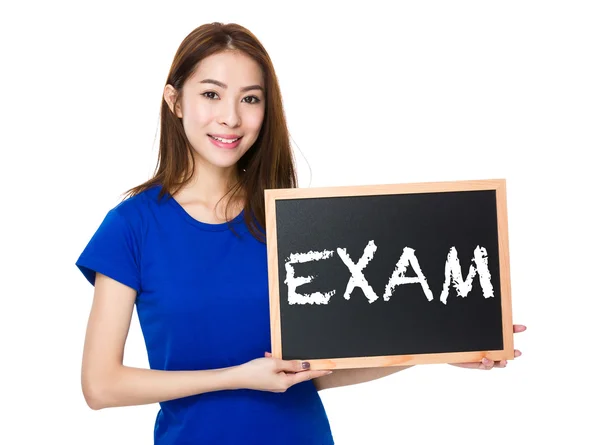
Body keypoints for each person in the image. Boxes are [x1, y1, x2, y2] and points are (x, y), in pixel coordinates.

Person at [75, 22, 526, 445]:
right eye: (211, 94)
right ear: (174, 101)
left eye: (250, 99)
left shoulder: (290, 221)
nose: (230, 117)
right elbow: (100, 385)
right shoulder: (132, 226)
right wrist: (237, 376)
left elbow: (319, 369)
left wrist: (440, 348)